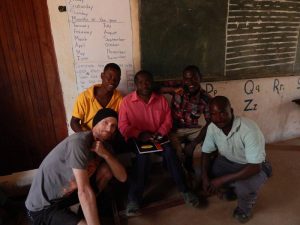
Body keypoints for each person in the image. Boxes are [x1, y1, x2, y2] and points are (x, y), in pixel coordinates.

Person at [118, 70, 200, 216]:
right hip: (137, 139)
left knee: (170, 153)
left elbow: (168, 121)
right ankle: (134, 200)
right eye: (141, 82)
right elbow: (123, 126)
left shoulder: (161, 100)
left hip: (158, 137)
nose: (145, 85)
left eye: (148, 81)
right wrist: (139, 134)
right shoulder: (126, 101)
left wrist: (160, 132)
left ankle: (185, 190)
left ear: (153, 83)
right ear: (136, 84)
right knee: (142, 158)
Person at [26, 108, 127, 225]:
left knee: (108, 169)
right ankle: (84, 215)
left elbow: (122, 177)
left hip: (64, 197)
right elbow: (83, 191)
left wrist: (106, 155)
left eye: (113, 126)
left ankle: (84, 212)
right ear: (95, 124)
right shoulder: (79, 142)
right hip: (43, 207)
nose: (109, 128)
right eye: (105, 122)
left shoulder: (106, 147)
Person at [201, 96, 271, 223]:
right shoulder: (212, 127)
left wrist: (221, 180)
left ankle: (245, 209)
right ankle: (230, 190)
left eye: (222, 112)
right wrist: (205, 178)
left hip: (254, 166)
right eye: (213, 114)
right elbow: (206, 152)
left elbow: (255, 167)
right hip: (229, 161)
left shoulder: (249, 129)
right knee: (202, 172)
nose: (218, 118)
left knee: (242, 187)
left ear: (231, 111)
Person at [162, 65, 211, 174]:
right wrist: (173, 90)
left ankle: (206, 172)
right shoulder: (178, 86)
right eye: (187, 79)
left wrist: (194, 143)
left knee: (211, 141)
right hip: (174, 128)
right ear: (183, 79)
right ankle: (182, 170)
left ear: (200, 78)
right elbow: (155, 87)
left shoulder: (205, 98)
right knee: (177, 153)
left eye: (194, 78)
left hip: (192, 129)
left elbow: (210, 123)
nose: (190, 82)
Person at [70, 63, 123, 132]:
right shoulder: (85, 97)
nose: (112, 81)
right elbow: (74, 122)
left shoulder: (119, 98)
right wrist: (88, 137)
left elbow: (121, 122)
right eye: (109, 77)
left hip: (109, 136)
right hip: (87, 135)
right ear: (102, 76)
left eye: (116, 79)